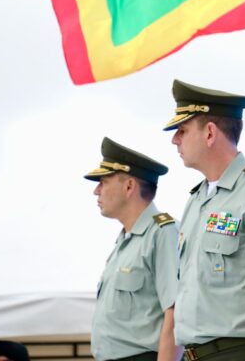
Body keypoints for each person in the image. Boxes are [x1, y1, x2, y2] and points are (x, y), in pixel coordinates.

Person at [165, 80, 245, 361]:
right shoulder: (195, 201)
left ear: (210, 133)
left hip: (239, 351)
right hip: (192, 353)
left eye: (182, 130)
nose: (175, 140)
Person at [86, 137, 181, 361]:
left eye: (103, 182)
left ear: (129, 186)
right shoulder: (124, 242)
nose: (96, 191)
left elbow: (175, 313)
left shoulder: (163, 233)